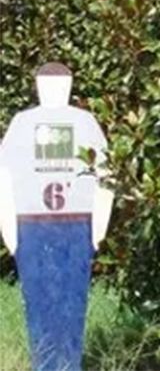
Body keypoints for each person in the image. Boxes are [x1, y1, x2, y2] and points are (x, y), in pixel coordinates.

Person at [0, 62, 113, 371]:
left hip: (77, 225)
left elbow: (107, 176)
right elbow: (3, 179)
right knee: (39, 306)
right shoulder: (22, 123)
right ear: (36, 85)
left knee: (72, 306)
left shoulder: (85, 123)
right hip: (32, 226)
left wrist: (97, 231)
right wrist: (11, 234)